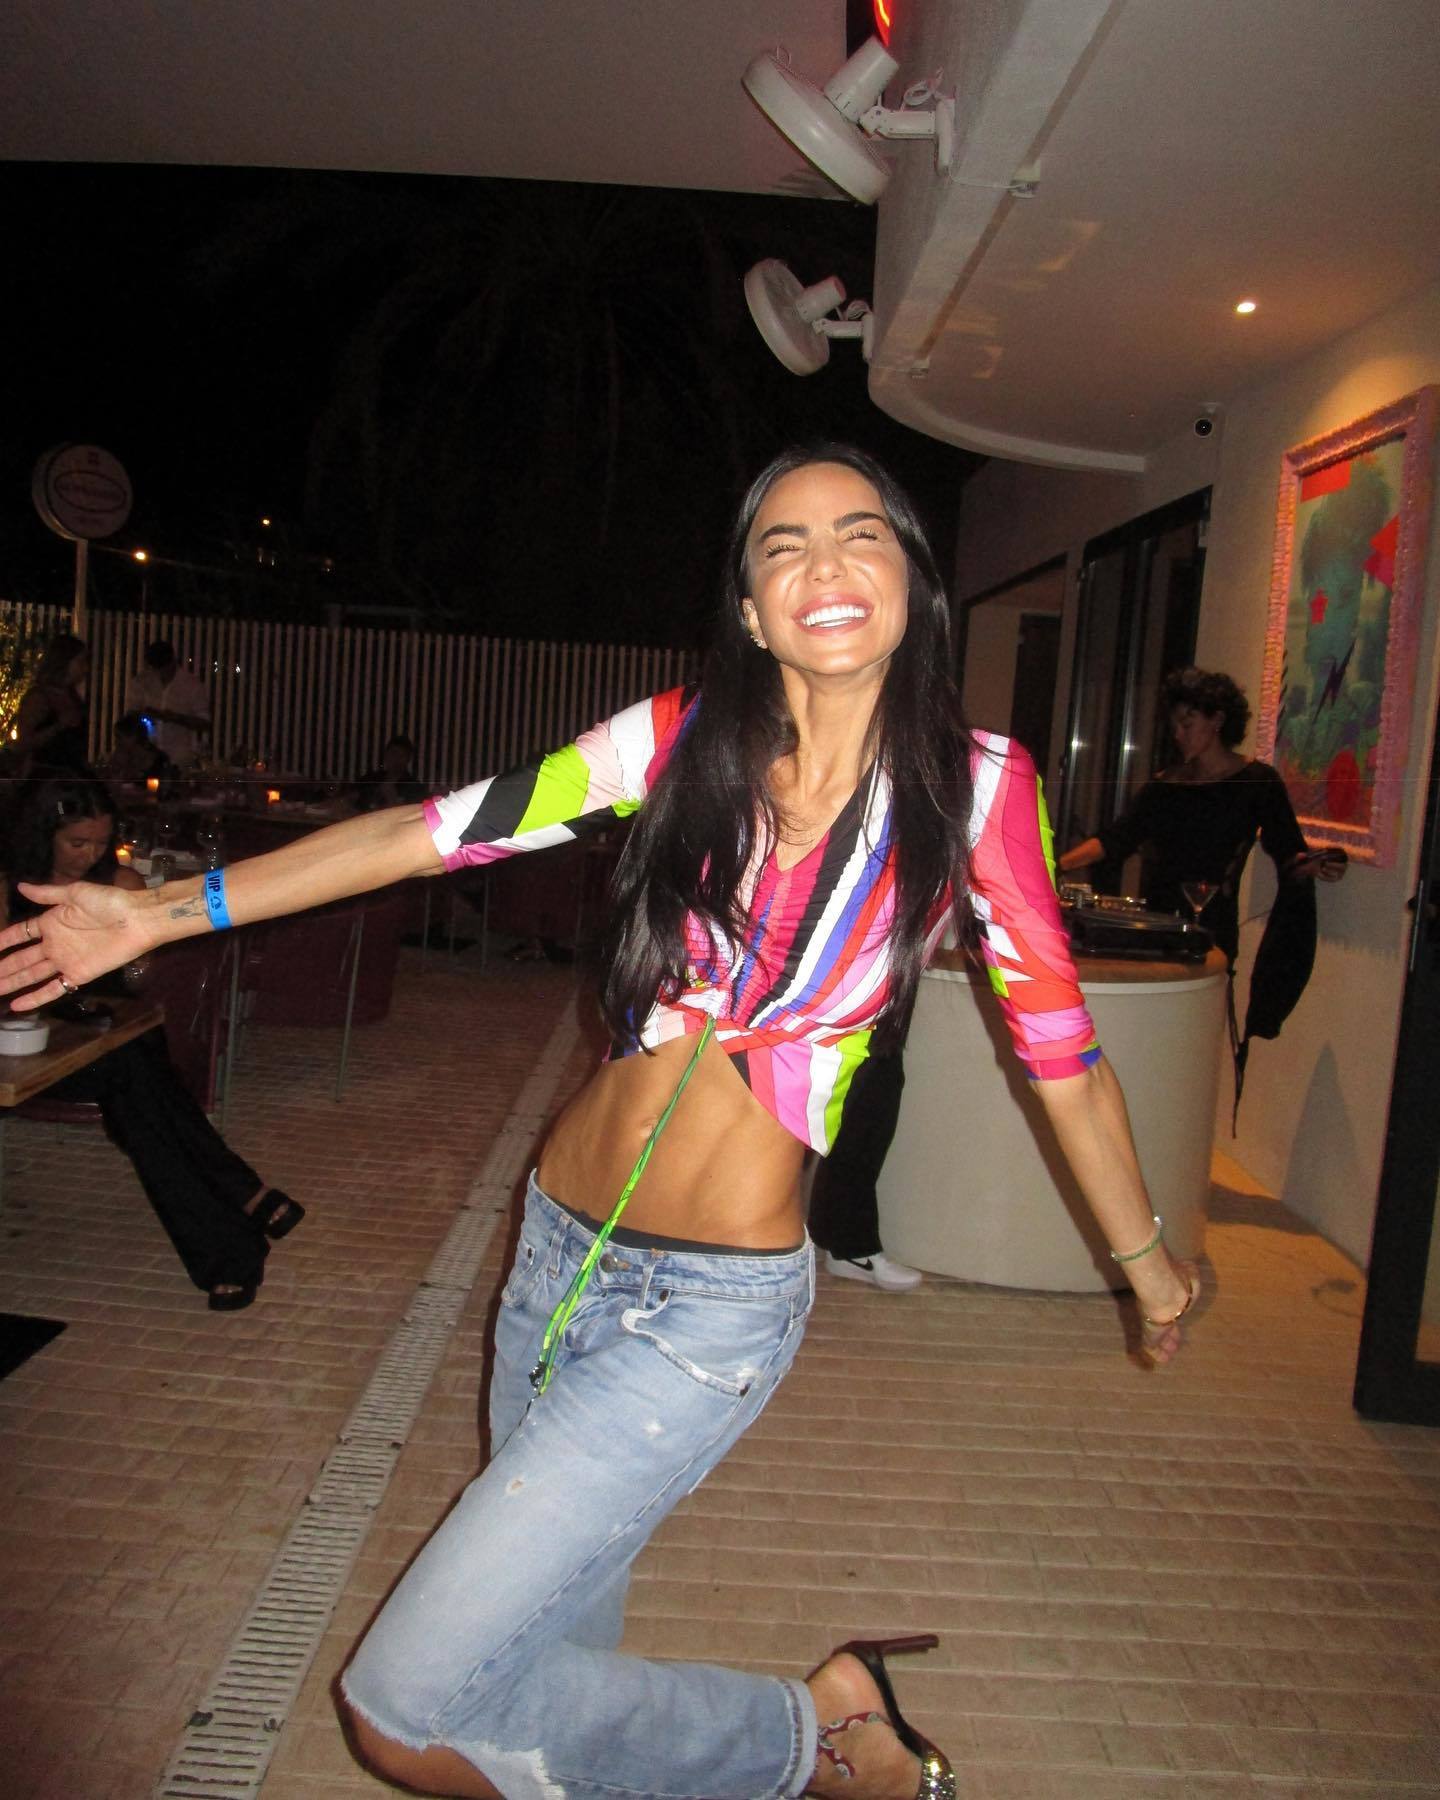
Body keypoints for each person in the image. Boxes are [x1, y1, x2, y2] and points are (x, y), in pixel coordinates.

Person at [0, 447, 1200, 1800]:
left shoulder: (974, 787)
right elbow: (431, 834)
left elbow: (1061, 1057)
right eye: (783, 544)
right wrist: (158, 913)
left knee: (402, 1711)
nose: (823, 564)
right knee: (532, 1657)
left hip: (710, 1311)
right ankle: (815, 1718)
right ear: (750, 609)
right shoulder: (685, 739)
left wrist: (1145, 1263)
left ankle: (808, 1741)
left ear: (914, 584)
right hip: (554, 1254)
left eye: (861, 534)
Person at [1, 777, 303, 1311]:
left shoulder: (117, 883)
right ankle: (241, 1201)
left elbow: (137, 981)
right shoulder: (10, 888)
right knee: (139, 1089)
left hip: (113, 1031)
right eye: (77, 843)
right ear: (43, 835)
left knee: (135, 1084)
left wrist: (133, 953)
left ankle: (231, 1241)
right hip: (38, 1039)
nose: (91, 854)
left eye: (101, 841)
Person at [1058, 666, 1345, 963]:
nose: (1178, 735)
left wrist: (1323, 862)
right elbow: (1116, 838)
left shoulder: (1257, 782)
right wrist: (1058, 864)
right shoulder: (1165, 785)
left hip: (1214, 929)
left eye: (1187, 725)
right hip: (1158, 926)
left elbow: (1289, 849)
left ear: (1217, 720)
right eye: (1174, 727)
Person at [12, 632, 91, 779]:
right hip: (44, 776)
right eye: (80, 662)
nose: (85, 668)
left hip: (71, 775)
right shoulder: (39, 698)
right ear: (64, 661)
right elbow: (24, 743)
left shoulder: (73, 696)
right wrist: (58, 726)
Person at [124, 639, 210, 766]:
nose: (159, 672)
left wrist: (175, 718)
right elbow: (129, 718)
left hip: (178, 758)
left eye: (162, 667)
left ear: (172, 662)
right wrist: (143, 715)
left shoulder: (191, 685)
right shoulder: (141, 682)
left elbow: (204, 723)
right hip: (145, 758)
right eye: (155, 668)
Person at [354, 732, 428, 812]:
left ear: (408, 759)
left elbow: (414, 813)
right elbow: (350, 798)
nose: (396, 759)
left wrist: (393, 798)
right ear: (386, 754)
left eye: (402, 755)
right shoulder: (371, 779)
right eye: (394, 753)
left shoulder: (414, 787)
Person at [104, 710, 176, 790]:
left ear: (133, 737)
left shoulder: (159, 760)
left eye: (119, 737)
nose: (116, 741)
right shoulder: (122, 755)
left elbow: (158, 790)